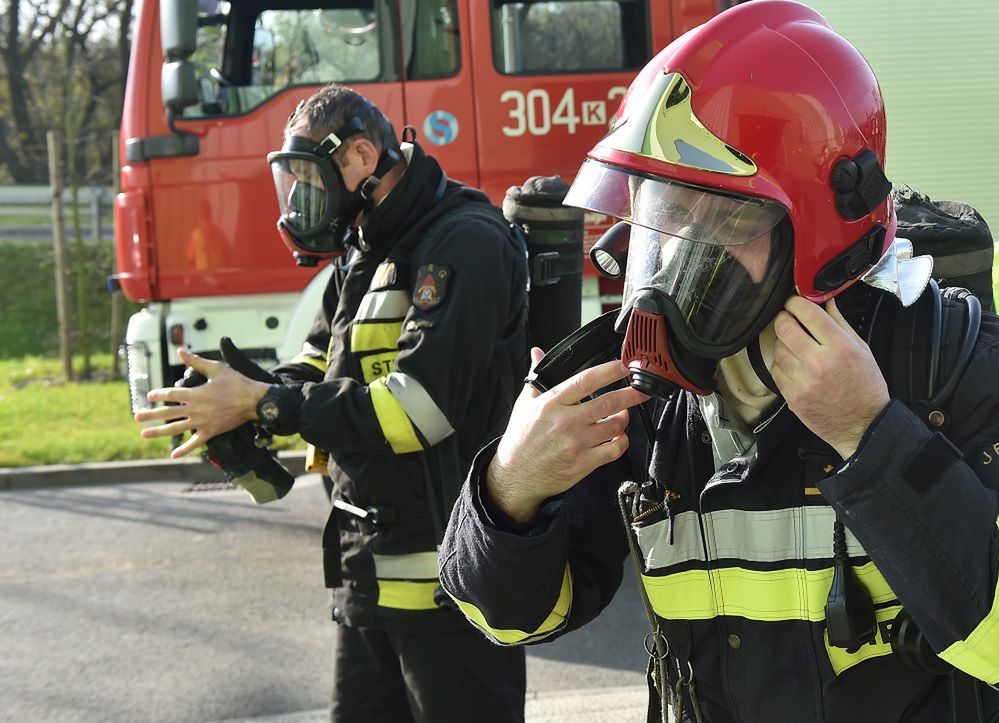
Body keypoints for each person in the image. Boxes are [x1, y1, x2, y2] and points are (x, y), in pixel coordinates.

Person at [438, 2, 999, 722]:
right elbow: (508, 619)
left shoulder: (950, 370)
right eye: (661, 214)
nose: (673, 259)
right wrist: (511, 491)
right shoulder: (651, 399)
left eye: (722, 219)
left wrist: (873, 437)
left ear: (817, 229)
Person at [135, 84, 529, 722]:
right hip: (368, 568)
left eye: (310, 179)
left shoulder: (464, 241)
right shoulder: (365, 243)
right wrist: (239, 397)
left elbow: (416, 410)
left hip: (450, 587)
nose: (300, 200)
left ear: (363, 156)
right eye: (290, 182)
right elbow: (323, 359)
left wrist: (268, 407)